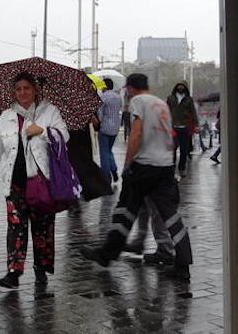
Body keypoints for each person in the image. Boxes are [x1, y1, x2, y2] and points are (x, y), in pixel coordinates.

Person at [80, 73, 193, 281]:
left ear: (130, 89)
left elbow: (136, 133)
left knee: (124, 210)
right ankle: (183, 263)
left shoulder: (138, 102)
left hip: (144, 166)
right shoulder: (161, 103)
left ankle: (106, 255)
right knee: (170, 216)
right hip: (165, 166)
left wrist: (128, 163)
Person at [0, 72, 69, 288]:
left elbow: (64, 136)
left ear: (35, 90)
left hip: (40, 180)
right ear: (13, 91)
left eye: (27, 88)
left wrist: (42, 130)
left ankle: (41, 268)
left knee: (42, 227)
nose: (23, 93)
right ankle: (14, 272)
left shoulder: (49, 111)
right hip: (14, 181)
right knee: (15, 226)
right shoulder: (6, 116)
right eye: (18, 89)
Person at [166, 82, 199, 178]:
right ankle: (172, 169)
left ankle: (182, 168)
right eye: (179, 86)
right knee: (173, 149)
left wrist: (196, 125)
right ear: (176, 87)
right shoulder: (170, 98)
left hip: (185, 127)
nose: (180, 87)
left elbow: (193, 112)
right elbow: (166, 110)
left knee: (184, 150)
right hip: (173, 126)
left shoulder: (188, 99)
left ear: (185, 88)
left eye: (182, 86)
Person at [97, 78, 123, 183]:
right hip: (115, 128)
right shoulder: (118, 97)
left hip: (105, 128)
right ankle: (114, 170)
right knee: (108, 151)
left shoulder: (103, 97)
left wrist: (99, 124)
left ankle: (107, 177)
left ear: (105, 86)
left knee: (104, 152)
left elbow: (100, 114)